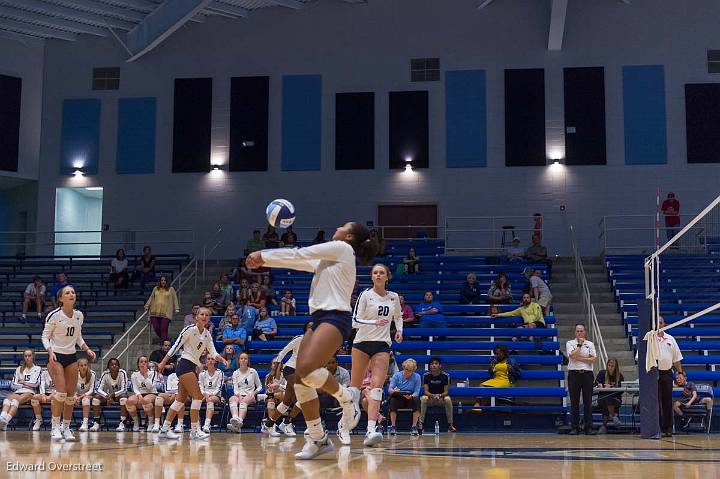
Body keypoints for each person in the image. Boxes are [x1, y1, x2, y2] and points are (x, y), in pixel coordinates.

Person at [245, 221, 378, 460]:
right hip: (318, 318)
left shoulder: (342, 249)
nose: (336, 226)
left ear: (348, 236)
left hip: (336, 317)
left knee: (306, 369)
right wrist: (266, 261)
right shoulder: (330, 257)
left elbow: (300, 254)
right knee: (298, 377)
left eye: (343, 226)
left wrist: (263, 255)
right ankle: (318, 438)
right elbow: (299, 261)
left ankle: (348, 398)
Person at [346, 263, 403, 446]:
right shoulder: (365, 295)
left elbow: (398, 317)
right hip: (361, 343)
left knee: (377, 388)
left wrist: (399, 330)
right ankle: (345, 424)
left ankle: (371, 430)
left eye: (381, 273)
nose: (378, 275)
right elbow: (355, 321)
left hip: (382, 344)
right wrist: (374, 322)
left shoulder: (393, 297)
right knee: (355, 389)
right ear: (371, 277)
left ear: (387, 277)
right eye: (375, 273)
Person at [156, 306, 229, 440]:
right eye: (202, 314)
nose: (204, 317)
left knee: (180, 400)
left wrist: (222, 359)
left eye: (207, 315)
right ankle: (195, 431)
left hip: (191, 367)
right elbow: (175, 346)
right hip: (184, 365)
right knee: (197, 396)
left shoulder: (207, 334)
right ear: (196, 316)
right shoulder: (189, 330)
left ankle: (164, 429)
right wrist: (162, 362)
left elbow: (213, 352)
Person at [41, 285, 97, 441]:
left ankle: (66, 428)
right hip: (56, 356)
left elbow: (78, 337)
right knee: (61, 392)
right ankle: (55, 428)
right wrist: (50, 351)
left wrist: (86, 349)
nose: (71, 294)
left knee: (71, 395)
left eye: (73, 292)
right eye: (67, 293)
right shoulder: (54, 315)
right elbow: (45, 337)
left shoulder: (79, 315)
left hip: (71, 356)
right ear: (61, 298)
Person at [264, 321, 313, 437]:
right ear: (305, 329)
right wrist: (273, 371)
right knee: (306, 395)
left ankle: (269, 424)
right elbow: (282, 353)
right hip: (290, 370)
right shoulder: (299, 339)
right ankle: (287, 422)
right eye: (309, 326)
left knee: (286, 403)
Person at [652, 316, 683, 437]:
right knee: (655, 402)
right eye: (657, 322)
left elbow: (676, 359)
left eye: (661, 322)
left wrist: (680, 373)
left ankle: (668, 428)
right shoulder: (649, 339)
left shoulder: (671, 339)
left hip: (667, 374)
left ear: (664, 324)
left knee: (667, 402)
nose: (659, 324)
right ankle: (656, 428)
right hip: (653, 374)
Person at [566, 323, 597, 435]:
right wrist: (579, 346)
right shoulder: (570, 343)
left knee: (587, 401)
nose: (579, 333)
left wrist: (578, 358)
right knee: (574, 401)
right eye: (578, 331)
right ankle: (575, 427)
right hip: (574, 374)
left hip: (587, 374)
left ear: (585, 332)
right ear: (575, 332)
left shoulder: (590, 344)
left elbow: (593, 359)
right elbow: (571, 355)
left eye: (581, 331)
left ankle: (588, 427)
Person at [0, 349, 41, 431]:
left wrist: (23, 383)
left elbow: (35, 384)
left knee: (15, 400)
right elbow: (13, 384)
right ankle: (2, 418)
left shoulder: (37, 368)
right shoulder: (19, 369)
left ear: (33, 357)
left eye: (29, 356)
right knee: (8, 399)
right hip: (19, 391)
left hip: (30, 392)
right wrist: (24, 385)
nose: (27, 358)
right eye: (25, 356)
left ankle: (5, 421)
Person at [227, 352, 263, 433]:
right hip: (239, 394)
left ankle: (239, 421)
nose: (243, 360)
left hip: (250, 395)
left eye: (245, 359)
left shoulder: (253, 371)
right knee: (232, 399)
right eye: (241, 358)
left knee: (244, 401)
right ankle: (235, 420)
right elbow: (235, 389)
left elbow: (260, 386)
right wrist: (239, 396)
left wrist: (253, 393)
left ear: (248, 361)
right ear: (239, 361)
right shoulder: (235, 373)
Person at [387, 358, 422, 436]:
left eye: (410, 370)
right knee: (393, 399)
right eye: (406, 369)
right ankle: (393, 426)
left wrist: (411, 396)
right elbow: (390, 390)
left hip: (410, 397)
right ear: (403, 368)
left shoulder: (417, 377)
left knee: (417, 399)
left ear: (413, 370)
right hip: (399, 397)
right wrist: (394, 391)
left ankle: (414, 426)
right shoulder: (397, 375)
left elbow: (417, 392)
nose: (407, 372)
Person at [419, 357, 455, 433]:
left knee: (448, 399)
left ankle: (450, 425)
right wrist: (432, 396)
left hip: (441, 398)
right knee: (423, 398)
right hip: (430, 398)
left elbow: (446, 392)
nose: (434, 365)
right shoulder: (426, 376)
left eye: (436, 363)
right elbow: (425, 391)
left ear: (440, 365)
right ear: (429, 366)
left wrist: (439, 396)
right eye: (432, 364)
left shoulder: (445, 376)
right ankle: (420, 424)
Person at [127, 355, 162, 432]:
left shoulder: (153, 373)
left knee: (146, 400)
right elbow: (135, 388)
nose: (143, 364)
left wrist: (146, 377)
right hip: (140, 393)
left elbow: (150, 387)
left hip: (152, 393)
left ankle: (151, 422)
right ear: (138, 364)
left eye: (145, 362)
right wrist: (139, 396)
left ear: (147, 364)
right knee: (129, 401)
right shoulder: (134, 374)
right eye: (141, 362)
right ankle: (136, 422)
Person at [94, 358, 129, 432]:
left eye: (116, 364)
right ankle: (96, 422)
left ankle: (122, 422)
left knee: (124, 397)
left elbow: (124, 389)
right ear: (108, 367)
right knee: (96, 398)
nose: (114, 366)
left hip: (118, 395)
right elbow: (98, 389)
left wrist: (113, 395)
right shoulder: (105, 374)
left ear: (119, 366)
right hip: (108, 396)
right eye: (112, 364)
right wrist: (106, 396)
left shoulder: (122, 373)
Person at [145, 275, 180, 343]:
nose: (163, 281)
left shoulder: (171, 289)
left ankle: (164, 343)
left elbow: (175, 298)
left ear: (167, 281)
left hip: (166, 312)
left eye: (164, 280)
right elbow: (151, 297)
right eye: (162, 280)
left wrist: (176, 308)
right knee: (156, 327)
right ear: (160, 281)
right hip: (154, 311)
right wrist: (147, 305)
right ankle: (165, 341)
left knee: (163, 327)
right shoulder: (156, 288)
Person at [595, 357, 624, 434]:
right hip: (602, 398)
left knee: (606, 401)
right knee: (606, 398)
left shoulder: (619, 376)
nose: (610, 367)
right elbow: (595, 384)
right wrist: (599, 386)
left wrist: (611, 387)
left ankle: (604, 426)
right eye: (609, 365)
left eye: (612, 366)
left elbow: (621, 391)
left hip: (615, 399)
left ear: (616, 367)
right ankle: (614, 416)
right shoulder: (602, 373)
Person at [199, 357, 224, 433]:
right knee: (195, 401)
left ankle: (207, 425)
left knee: (210, 400)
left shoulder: (220, 373)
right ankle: (196, 425)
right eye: (208, 359)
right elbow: (200, 387)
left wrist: (209, 395)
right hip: (204, 394)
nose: (210, 361)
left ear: (215, 361)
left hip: (216, 396)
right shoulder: (202, 374)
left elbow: (219, 388)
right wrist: (204, 394)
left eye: (212, 359)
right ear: (206, 361)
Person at [75, 358, 97, 432]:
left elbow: (91, 390)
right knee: (68, 399)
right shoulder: (75, 374)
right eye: (81, 365)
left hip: (88, 395)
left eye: (85, 365)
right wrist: (75, 397)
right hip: (77, 395)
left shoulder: (92, 374)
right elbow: (73, 388)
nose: (83, 367)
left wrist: (81, 397)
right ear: (78, 367)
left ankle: (85, 423)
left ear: (88, 366)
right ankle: (64, 424)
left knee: (85, 400)